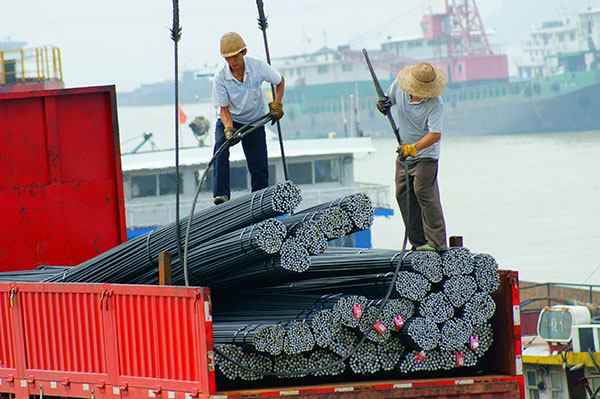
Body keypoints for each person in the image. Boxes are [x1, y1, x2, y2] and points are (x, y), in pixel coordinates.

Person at [376, 62, 448, 252]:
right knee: (403, 195)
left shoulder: (435, 103)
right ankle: (418, 242)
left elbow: (435, 135)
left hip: (425, 156)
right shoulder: (399, 86)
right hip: (404, 156)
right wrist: (382, 105)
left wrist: (411, 149)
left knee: (424, 194)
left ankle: (436, 243)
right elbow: (387, 101)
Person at [211, 32, 285, 205]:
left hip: (254, 120)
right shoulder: (220, 77)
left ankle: (260, 200)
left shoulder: (258, 66)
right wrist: (229, 130)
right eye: (228, 58)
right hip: (231, 120)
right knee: (219, 151)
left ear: (243, 52)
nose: (232, 62)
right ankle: (221, 194)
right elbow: (224, 110)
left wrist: (277, 104)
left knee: (259, 164)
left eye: (235, 56)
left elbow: (279, 81)